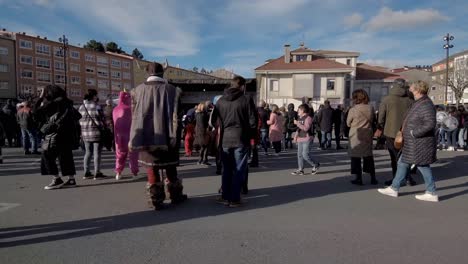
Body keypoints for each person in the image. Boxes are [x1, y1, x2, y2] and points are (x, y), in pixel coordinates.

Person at [129, 62, 187, 210]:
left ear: (147, 73)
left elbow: (134, 115)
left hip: (145, 137)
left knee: (152, 168)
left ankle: (155, 199)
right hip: (168, 136)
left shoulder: (137, 91)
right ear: (163, 73)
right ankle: (175, 195)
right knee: (170, 167)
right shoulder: (173, 90)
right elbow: (179, 116)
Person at [378, 81, 439, 202]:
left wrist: (414, 133)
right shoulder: (418, 102)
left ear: (417, 90)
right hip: (413, 143)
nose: (409, 88)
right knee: (402, 163)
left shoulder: (425, 104)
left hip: (419, 142)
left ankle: (431, 192)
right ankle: (394, 188)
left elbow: (430, 124)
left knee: (423, 165)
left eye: (411, 87)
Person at [210, 76, 257, 208]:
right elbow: (253, 121)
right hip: (241, 138)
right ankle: (235, 198)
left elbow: (213, 120)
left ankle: (225, 196)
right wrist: (249, 135)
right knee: (239, 169)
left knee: (227, 169)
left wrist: (222, 127)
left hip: (225, 138)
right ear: (242, 86)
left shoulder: (220, 101)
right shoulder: (246, 99)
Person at [34, 85, 81, 190]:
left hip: (55, 135)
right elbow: (78, 116)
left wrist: (40, 98)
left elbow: (36, 113)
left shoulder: (53, 103)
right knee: (66, 157)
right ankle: (71, 179)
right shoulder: (68, 103)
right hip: (67, 135)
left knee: (47, 156)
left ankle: (56, 178)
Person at [377, 78, 414, 186]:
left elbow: (381, 117)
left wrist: (381, 126)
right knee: (406, 156)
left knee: (394, 157)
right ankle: (407, 178)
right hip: (407, 131)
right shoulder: (409, 100)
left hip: (391, 131)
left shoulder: (387, 99)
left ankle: (396, 179)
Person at [347, 89, 377, 185]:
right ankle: (373, 178)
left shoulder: (353, 109)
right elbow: (373, 120)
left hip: (356, 134)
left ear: (355, 98)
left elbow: (348, 123)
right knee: (368, 156)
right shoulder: (371, 108)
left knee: (356, 157)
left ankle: (358, 178)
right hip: (367, 133)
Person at [79, 89, 107, 180]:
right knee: (97, 153)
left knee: (88, 153)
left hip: (85, 133)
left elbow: (79, 120)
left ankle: (86, 172)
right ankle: (97, 173)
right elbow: (102, 119)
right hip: (96, 132)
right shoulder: (96, 106)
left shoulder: (81, 107)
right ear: (94, 96)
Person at [113, 91, 139, 180]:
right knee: (133, 154)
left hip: (119, 136)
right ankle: (134, 172)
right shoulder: (131, 109)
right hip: (131, 134)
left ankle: (118, 172)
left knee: (120, 154)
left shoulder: (115, 109)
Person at [291, 104, 320, 175]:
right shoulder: (300, 118)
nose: (297, 111)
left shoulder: (308, 118)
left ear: (303, 110)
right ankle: (300, 169)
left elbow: (306, 128)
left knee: (305, 155)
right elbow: (299, 129)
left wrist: (297, 123)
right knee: (299, 155)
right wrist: (295, 136)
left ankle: (316, 164)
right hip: (300, 138)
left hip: (307, 138)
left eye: (299, 110)